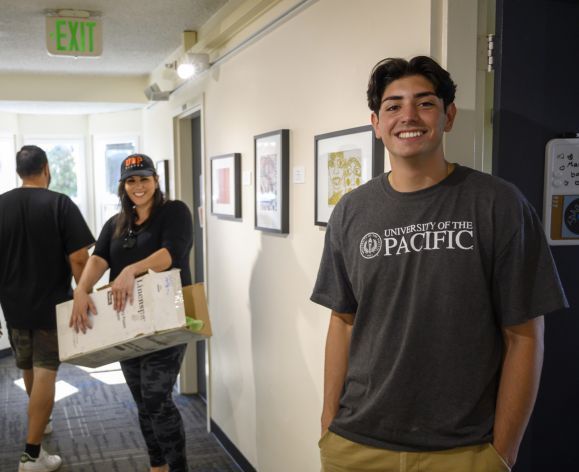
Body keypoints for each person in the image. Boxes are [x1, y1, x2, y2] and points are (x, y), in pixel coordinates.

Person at [311, 56, 568, 472]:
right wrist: (329, 422)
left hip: (463, 450)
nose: (408, 116)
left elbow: (525, 334)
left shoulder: (498, 203)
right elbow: (343, 320)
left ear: (448, 116)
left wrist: (503, 452)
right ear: (376, 124)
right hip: (355, 444)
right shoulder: (351, 212)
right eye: (393, 106)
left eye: (425, 103)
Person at [70, 153, 193, 472]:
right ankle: (157, 465)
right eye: (131, 180)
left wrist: (130, 271)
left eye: (144, 178)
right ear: (123, 186)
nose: (138, 186)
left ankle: (178, 467)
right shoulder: (116, 223)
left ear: (156, 181)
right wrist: (81, 290)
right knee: (141, 399)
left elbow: (171, 253)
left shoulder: (174, 212)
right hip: (126, 323)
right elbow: (99, 259)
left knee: (157, 398)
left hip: (168, 319)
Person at [0, 145, 94, 471]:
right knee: (46, 372)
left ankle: (42, 420)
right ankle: (31, 454)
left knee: (27, 367)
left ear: (18, 170)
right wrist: (86, 291)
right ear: (46, 168)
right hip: (51, 308)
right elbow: (80, 258)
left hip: (13, 307)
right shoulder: (60, 203)